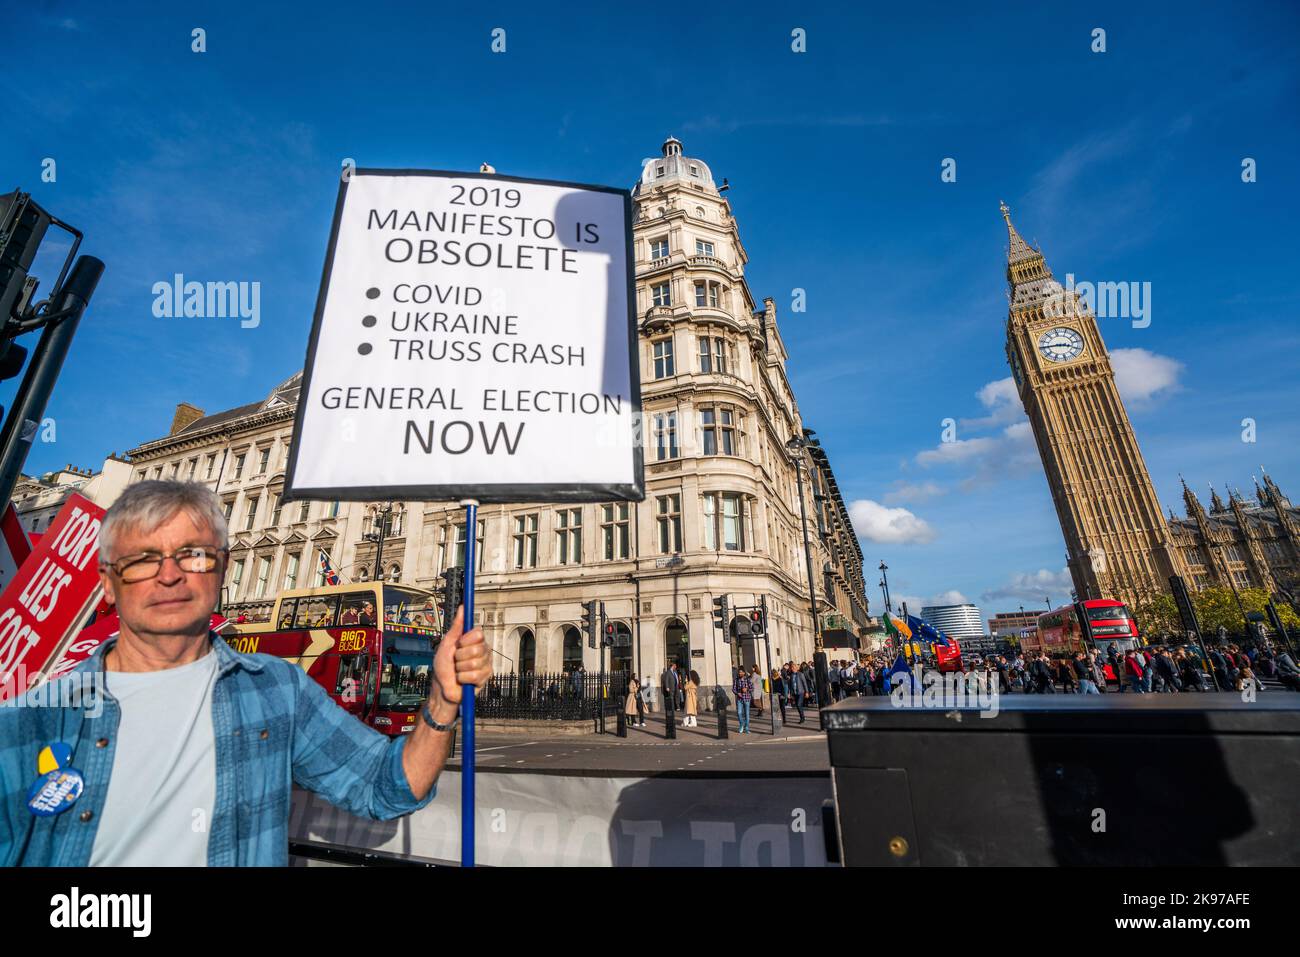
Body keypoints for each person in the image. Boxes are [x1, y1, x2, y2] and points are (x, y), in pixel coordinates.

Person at [1, 480, 491, 867]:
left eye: (193, 555)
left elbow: (387, 789)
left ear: (222, 570)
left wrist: (442, 700)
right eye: (142, 560)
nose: (169, 575)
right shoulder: (28, 721)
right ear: (108, 583)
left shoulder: (277, 692)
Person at [733, 667, 753, 733]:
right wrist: (737, 693)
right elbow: (733, 689)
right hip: (739, 699)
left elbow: (752, 688)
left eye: (742, 672)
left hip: (747, 698)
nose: (740, 673)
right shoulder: (736, 680)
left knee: (747, 714)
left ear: (744, 672)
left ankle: (747, 728)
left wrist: (747, 689)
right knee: (739, 713)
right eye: (739, 672)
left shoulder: (748, 679)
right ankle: (741, 724)